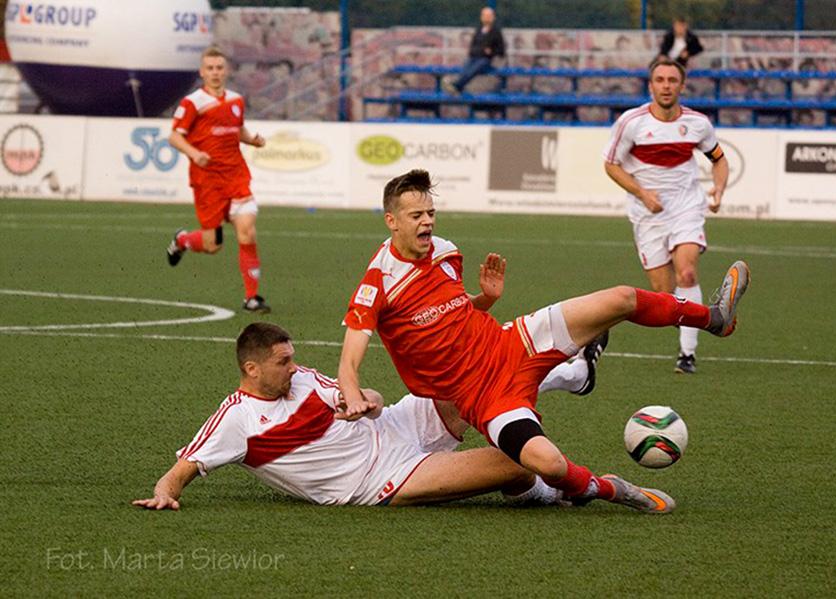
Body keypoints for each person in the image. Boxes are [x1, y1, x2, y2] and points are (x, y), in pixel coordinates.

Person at [337, 169, 750, 513]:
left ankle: (714, 318)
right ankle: (610, 489)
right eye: (416, 215)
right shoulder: (378, 284)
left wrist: (486, 299)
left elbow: (448, 315)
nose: (427, 222)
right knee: (548, 464)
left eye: (431, 212)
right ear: (391, 221)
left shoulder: (445, 251)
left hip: (512, 341)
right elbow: (349, 361)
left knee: (621, 298)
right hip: (484, 397)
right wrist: (352, 397)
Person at [132, 322, 607, 510]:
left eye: (292, 357)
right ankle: (551, 494)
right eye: (283, 361)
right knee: (517, 461)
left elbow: (367, 396)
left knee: (472, 373)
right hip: (385, 477)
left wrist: (369, 402)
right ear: (251, 369)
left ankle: (572, 374)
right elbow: (180, 471)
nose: (294, 367)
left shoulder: (303, 379)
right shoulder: (236, 419)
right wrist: (164, 495)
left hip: (395, 424)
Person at [603, 57, 730, 374]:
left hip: (686, 206)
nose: (666, 86)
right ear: (650, 86)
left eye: (672, 80)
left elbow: (719, 159)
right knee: (665, 297)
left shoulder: (698, 123)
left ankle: (687, 355)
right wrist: (643, 194)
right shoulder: (631, 122)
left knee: (687, 273)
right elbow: (611, 165)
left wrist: (718, 189)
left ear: (682, 86)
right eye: (660, 80)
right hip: (647, 214)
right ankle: (698, 317)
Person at [165, 46, 271, 314]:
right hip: (207, 181)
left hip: (236, 175)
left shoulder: (236, 100)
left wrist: (252, 140)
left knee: (247, 230)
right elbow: (174, 136)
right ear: (202, 72)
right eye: (210, 68)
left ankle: (251, 297)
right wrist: (194, 153)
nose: (215, 72)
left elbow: (238, 129)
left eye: (219, 68)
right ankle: (182, 241)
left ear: (226, 71)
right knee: (212, 245)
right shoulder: (193, 103)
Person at [443, 6, 506, 94]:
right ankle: (457, 86)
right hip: (474, 57)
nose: (486, 18)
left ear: (493, 17)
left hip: (487, 60)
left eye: (489, 16)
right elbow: (473, 44)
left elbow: (501, 50)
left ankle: (457, 86)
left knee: (473, 69)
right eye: (485, 15)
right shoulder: (479, 30)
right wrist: (472, 52)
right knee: (465, 68)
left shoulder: (496, 32)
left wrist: (491, 52)